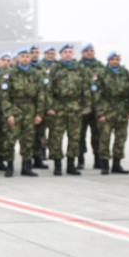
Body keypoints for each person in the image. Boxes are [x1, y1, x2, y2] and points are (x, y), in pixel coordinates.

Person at [45, 43, 91, 176]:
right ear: (61, 54)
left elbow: (86, 89)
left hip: (75, 108)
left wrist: (86, 106)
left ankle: (71, 165)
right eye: (65, 52)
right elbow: (48, 91)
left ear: (73, 54)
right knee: (56, 137)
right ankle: (57, 165)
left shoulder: (80, 69)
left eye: (70, 52)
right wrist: (50, 107)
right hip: (59, 107)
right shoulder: (55, 69)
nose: (68, 54)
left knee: (74, 137)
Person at [0, 47, 44, 177]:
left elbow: (41, 95)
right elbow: (5, 96)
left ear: (30, 58)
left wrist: (39, 113)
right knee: (10, 139)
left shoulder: (36, 74)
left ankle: (26, 166)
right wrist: (9, 114)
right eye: (22, 56)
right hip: (15, 108)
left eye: (27, 56)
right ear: (18, 58)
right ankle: (9, 166)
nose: (25, 58)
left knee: (28, 140)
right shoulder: (10, 74)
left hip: (30, 110)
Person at [95, 51, 129, 175]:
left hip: (122, 111)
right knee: (104, 138)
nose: (115, 61)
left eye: (117, 59)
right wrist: (100, 113)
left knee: (120, 138)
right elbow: (96, 96)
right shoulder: (101, 74)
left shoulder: (125, 74)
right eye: (112, 59)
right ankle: (104, 164)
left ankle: (117, 164)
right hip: (107, 110)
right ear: (108, 61)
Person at [77, 43, 105, 169]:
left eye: (91, 50)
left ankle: (97, 159)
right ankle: (80, 159)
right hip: (82, 107)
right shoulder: (77, 66)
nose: (89, 53)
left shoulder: (100, 66)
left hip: (97, 107)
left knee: (97, 134)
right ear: (82, 53)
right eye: (87, 51)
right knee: (79, 134)